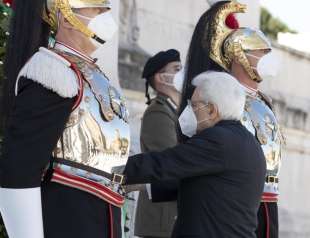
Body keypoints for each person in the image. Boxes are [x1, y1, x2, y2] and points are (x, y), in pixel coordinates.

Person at [0, 1, 130, 238]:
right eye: (98, 9)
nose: (105, 16)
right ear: (68, 17)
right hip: (68, 218)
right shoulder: (52, 71)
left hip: (101, 217)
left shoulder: (92, 75)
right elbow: (19, 168)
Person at [180, 1, 283, 237]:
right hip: (232, 199)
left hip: (268, 199)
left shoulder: (263, 102)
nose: (266, 58)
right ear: (240, 56)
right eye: (260, 52)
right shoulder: (212, 96)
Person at [124, 73, 266, 238]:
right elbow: (202, 185)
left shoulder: (218, 140)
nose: (189, 111)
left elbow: (165, 162)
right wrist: (143, 186)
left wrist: (111, 165)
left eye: (194, 105)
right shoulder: (247, 142)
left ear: (212, 110)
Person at [134, 49, 182, 238]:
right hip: (161, 220)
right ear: (162, 78)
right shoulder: (158, 112)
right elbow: (173, 162)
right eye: (176, 69)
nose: (182, 73)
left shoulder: (175, 111)